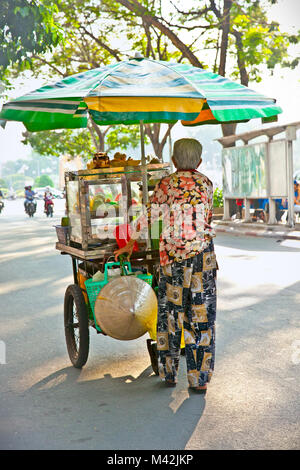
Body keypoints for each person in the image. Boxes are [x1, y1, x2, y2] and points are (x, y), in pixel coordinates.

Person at [114, 138, 217, 393]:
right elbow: (207, 218)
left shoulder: (165, 184)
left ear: (173, 161)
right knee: (201, 317)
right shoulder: (206, 183)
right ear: (200, 161)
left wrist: (129, 244)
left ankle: (169, 373)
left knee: (171, 316)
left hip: (173, 259)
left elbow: (148, 217)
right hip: (203, 258)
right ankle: (199, 379)